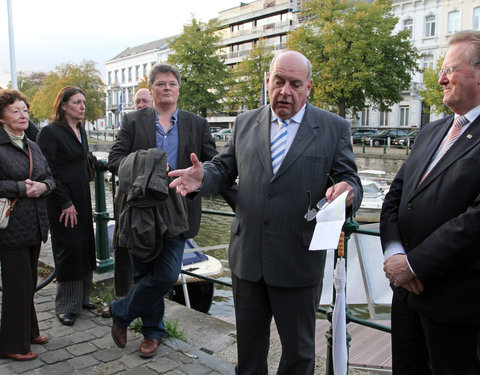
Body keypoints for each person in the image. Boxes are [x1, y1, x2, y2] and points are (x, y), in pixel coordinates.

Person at [169, 51, 362, 374]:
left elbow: (348, 177)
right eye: (279, 81)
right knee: (249, 349)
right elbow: (224, 168)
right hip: (248, 259)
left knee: (299, 353)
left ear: (309, 87)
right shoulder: (246, 122)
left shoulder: (333, 128)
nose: (285, 91)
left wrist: (348, 190)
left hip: (297, 260)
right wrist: (204, 177)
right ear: (267, 82)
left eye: (295, 84)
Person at [108, 63, 236, 358]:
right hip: (141, 210)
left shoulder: (196, 123)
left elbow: (216, 166)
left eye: (172, 84)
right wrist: (146, 165)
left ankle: (121, 311)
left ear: (178, 89)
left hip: (179, 210)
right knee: (144, 275)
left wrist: (236, 199)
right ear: (151, 89)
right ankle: (153, 333)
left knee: (166, 275)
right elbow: (115, 159)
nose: (167, 88)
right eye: (161, 83)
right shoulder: (132, 121)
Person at [381, 30, 480, 375]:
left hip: (457, 305)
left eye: (450, 70)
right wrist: (394, 254)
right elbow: (395, 197)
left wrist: (414, 265)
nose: (440, 79)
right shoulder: (430, 131)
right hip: (407, 297)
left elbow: (475, 221)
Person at [37, 86, 106, 326]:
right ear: (63, 105)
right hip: (62, 199)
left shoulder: (80, 130)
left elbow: (86, 159)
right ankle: (66, 305)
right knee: (69, 248)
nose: (82, 106)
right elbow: (48, 170)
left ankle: (82, 298)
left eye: (83, 102)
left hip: (82, 196)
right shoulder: (50, 133)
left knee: (85, 244)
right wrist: (64, 202)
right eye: (77, 102)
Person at [0, 89, 55, 360]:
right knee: (16, 285)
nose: (23, 116)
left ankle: (29, 331)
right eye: (15, 111)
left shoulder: (32, 145)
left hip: (34, 224)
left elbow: (49, 178)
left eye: (25, 110)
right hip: (9, 227)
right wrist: (22, 187)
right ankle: (12, 345)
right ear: (1, 117)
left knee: (28, 282)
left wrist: (43, 186)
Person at [101, 87, 155, 318]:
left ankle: (143, 302)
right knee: (123, 246)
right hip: (128, 197)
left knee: (152, 250)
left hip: (155, 200)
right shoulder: (130, 122)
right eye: (138, 101)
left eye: (145, 100)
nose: (141, 104)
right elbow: (116, 158)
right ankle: (121, 296)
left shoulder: (163, 125)